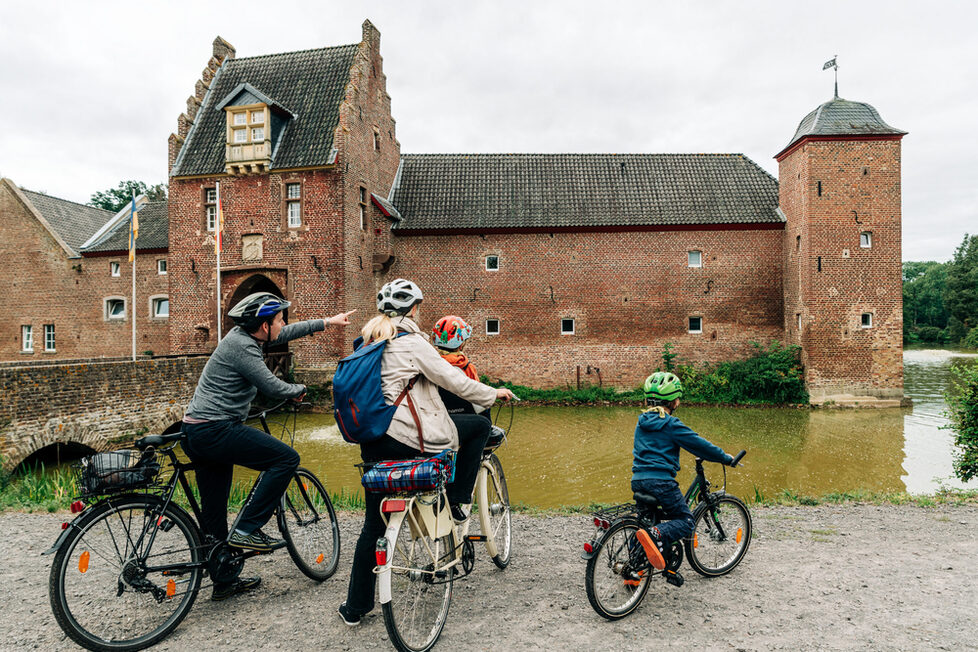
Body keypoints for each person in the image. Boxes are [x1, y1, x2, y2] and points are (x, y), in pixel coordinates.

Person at [339, 279, 515, 626]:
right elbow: (455, 381)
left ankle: (355, 607)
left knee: (372, 524)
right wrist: (494, 393)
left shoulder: (366, 343)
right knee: (478, 428)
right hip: (407, 440)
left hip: (372, 444)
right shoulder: (413, 343)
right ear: (414, 310)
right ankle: (461, 501)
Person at [181, 291, 354, 601]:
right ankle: (248, 527)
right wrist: (297, 389)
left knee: (215, 513)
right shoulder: (243, 348)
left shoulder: (243, 337)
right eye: (278, 319)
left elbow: (285, 332)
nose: (283, 323)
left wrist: (327, 322)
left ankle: (223, 579)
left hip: (196, 430)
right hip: (216, 429)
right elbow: (271, 386)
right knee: (285, 459)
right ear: (263, 326)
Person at [631, 371, 734, 573]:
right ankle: (653, 536)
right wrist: (725, 458)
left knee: (645, 523)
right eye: (678, 397)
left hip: (638, 480)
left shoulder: (641, 422)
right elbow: (699, 445)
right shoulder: (670, 424)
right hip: (661, 482)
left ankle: (633, 573)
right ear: (673, 401)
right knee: (686, 522)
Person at [431, 315, 482, 415]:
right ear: (461, 344)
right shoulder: (463, 367)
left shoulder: (432, 364)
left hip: (440, 416)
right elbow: (480, 403)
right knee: (485, 423)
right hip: (465, 416)